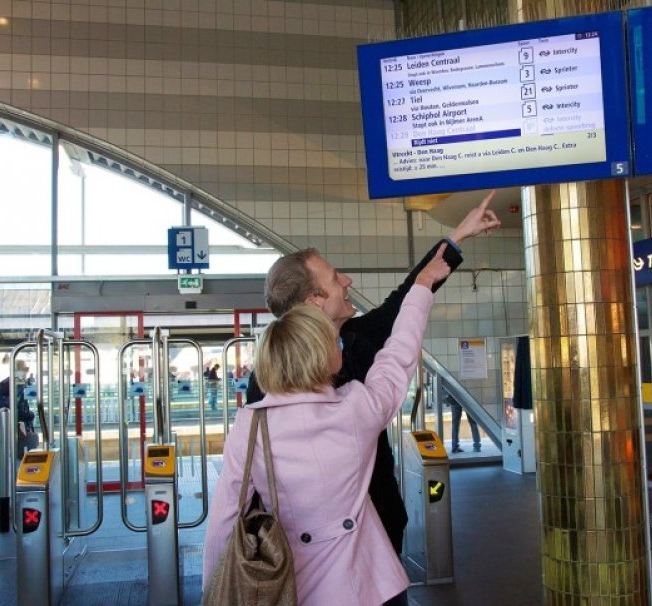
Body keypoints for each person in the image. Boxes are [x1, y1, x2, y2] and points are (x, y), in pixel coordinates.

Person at [244, 190, 500, 603]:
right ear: (314, 302)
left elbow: (407, 299)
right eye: (335, 278)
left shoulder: (355, 337)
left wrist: (457, 237)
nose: (348, 281)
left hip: (379, 540)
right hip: (306, 564)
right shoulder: (269, 386)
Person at [203, 242, 452, 605]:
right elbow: (398, 353)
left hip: (290, 585)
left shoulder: (250, 426)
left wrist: (214, 592)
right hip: (373, 583)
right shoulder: (356, 407)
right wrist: (422, 285)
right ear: (323, 355)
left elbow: (224, 521)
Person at [0, 359, 38, 459]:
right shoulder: (19, 386)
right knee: (23, 458)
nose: (25, 373)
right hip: (21, 429)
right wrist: (31, 415)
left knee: (9, 458)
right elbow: (21, 410)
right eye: (23, 370)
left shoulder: (1, 386)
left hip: (5, 428)